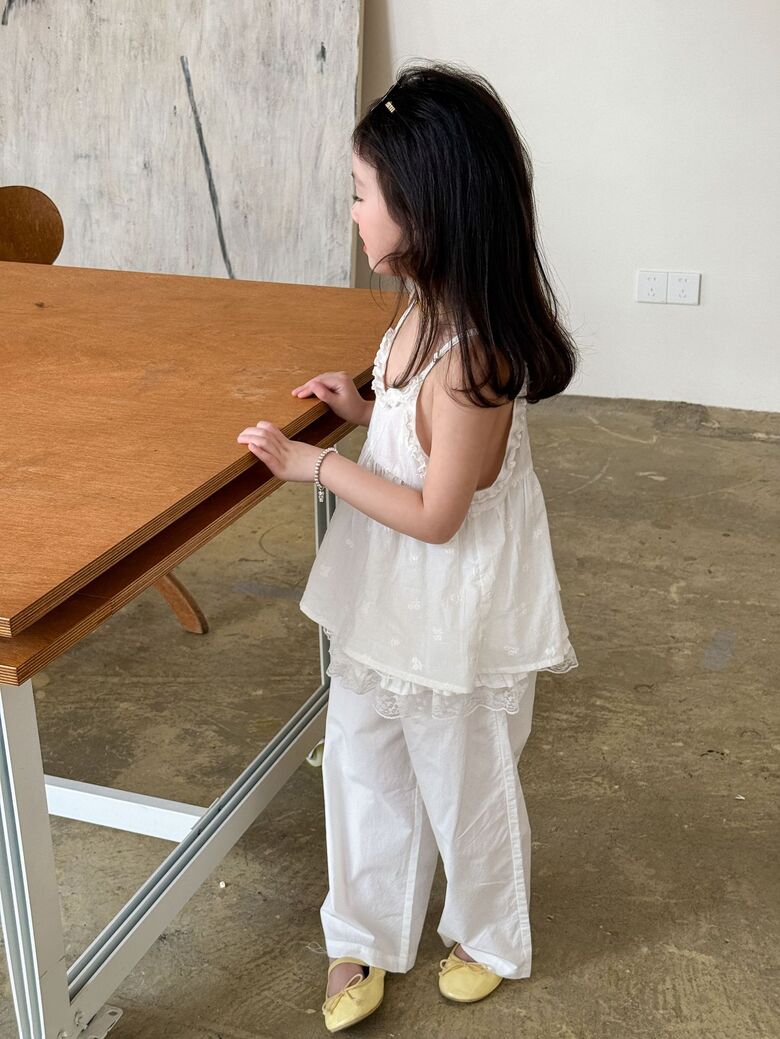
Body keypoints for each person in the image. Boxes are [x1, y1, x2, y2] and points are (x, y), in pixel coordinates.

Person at [237, 59, 579, 1034]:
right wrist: (363, 408)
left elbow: (438, 514)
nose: (351, 212)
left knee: (462, 777)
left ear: (422, 210)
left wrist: (318, 467)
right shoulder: (422, 311)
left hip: (451, 607)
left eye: (361, 194)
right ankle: (362, 927)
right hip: (388, 593)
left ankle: (488, 933)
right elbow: (410, 422)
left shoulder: (477, 361)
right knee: (360, 756)